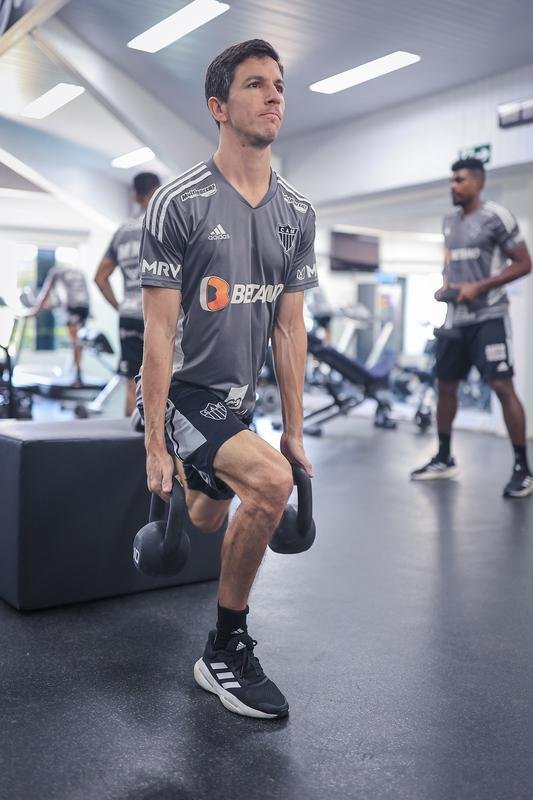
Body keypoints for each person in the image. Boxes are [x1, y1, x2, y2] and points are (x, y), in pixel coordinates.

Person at [137, 39, 318, 719]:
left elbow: (287, 328)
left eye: (278, 85)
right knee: (268, 485)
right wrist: (155, 440)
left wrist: (295, 430)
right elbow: (157, 332)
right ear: (217, 106)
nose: (273, 96)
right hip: (185, 389)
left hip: (237, 403)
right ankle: (224, 651)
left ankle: (203, 471)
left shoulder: (295, 212)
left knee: (210, 516)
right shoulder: (177, 203)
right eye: (254, 85)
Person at [411, 157, 532, 498]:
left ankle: (523, 468)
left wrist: (480, 287)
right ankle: (444, 457)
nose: (454, 185)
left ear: (478, 182)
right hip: (455, 320)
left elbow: (525, 262)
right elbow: (450, 265)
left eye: (460, 180)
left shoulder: (496, 216)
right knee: (445, 386)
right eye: (452, 180)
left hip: (488, 317)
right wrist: (445, 286)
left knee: (502, 386)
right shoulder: (449, 222)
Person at [94, 172, 161, 415]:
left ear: (134, 195)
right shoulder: (163, 224)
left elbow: (100, 277)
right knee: (166, 384)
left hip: (129, 315)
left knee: (132, 386)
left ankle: (128, 449)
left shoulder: (122, 231)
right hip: (159, 314)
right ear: (158, 190)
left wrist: (120, 306)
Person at [27, 264, 90, 386]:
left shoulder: (55, 272)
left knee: (75, 342)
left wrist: (35, 311)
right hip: (84, 307)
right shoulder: (77, 270)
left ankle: (77, 375)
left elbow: (46, 292)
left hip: (72, 306)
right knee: (78, 342)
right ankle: (77, 373)